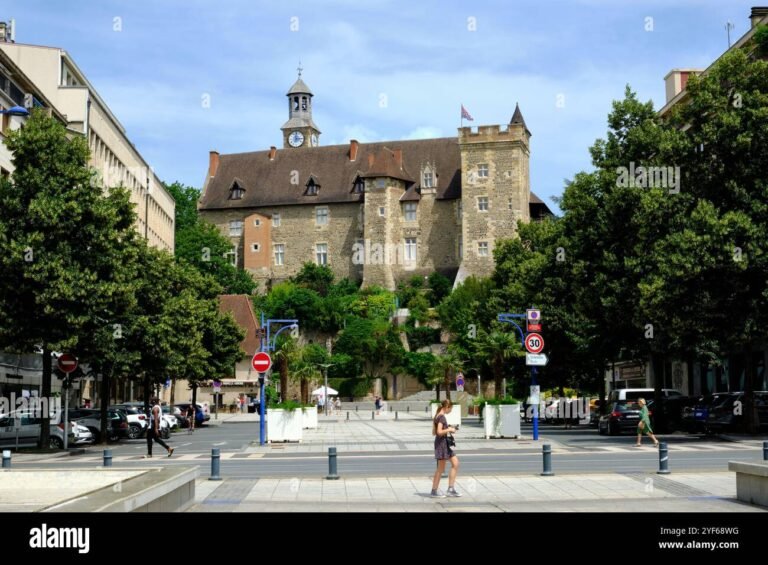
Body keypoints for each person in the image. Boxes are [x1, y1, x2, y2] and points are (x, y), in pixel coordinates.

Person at [431, 399, 461, 498]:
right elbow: (439, 432)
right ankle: (434, 490)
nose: (450, 411)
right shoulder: (441, 417)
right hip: (442, 444)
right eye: (450, 409)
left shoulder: (438, 416)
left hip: (443, 444)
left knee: (455, 463)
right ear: (446, 407)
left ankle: (450, 489)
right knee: (440, 468)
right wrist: (449, 429)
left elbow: (437, 431)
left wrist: (449, 428)